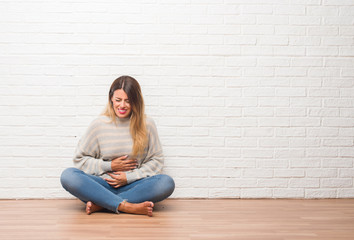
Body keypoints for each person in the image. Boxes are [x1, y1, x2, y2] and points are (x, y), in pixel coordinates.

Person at [60, 76, 175, 217]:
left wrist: (128, 177)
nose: (122, 106)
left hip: (135, 185)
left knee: (166, 183)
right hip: (102, 185)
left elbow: (156, 160)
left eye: (128, 101)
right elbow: (80, 159)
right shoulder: (99, 124)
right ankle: (127, 206)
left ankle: (102, 204)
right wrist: (110, 166)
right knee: (69, 176)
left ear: (136, 101)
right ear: (111, 100)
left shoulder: (147, 124)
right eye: (118, 100)